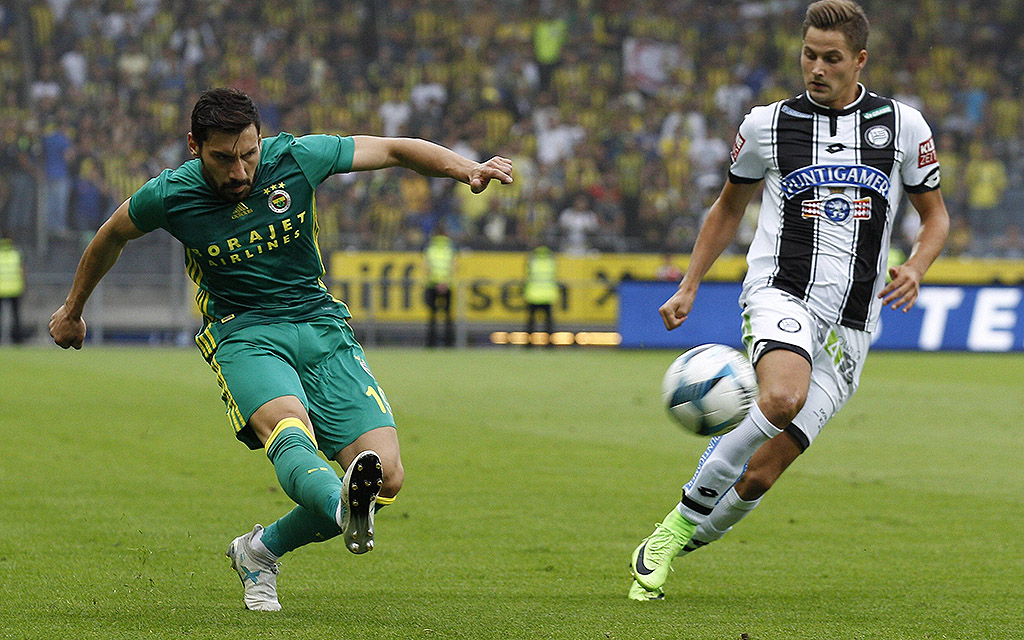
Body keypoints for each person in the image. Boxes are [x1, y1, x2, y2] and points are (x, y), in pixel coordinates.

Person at [49, 88, 513, 611]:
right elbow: (110, 235)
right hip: (243, 332)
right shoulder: (169, 195)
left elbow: (394, 149)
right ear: (194, 147)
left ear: (260, 140)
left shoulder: (296, 158)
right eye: (224, 158)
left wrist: (465, 168)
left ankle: (260, 550)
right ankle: (341, 507)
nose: (241, 171)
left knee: (387, 475)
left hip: (320, 325)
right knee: (289, 426)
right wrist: (72, 310)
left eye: (248, 153)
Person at [628, 1, 949, 601]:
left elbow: (935, 216)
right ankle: (673, 530)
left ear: (860, 60)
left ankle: (676, 540)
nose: (817, 68)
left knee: (761, 474)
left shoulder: (903, 126)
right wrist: (691, 282)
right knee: (780, 396)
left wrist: (918, 266)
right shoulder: (766, 125)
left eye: (831, 58)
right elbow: (729, 207)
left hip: (854, 326)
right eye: (809, 55)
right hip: (781, 292)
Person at [423, 228, 455, 347]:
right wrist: (444, 282)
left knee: (432, 316)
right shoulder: (450, 249)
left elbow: (427, 268)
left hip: (432, 284)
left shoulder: (430, 249)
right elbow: (453, 267)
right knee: (448, 316)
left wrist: (436, 282)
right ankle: (449, 343)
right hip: (447, 285)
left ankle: (431, 343)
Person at [522, 244, 557, 346]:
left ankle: (528, 343)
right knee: (548, 323)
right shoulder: (551, 262)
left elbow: (527, 274)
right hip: (547, 295)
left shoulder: (532, 262)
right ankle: (550, 343)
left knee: (531, 322)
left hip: (533, 295)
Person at [0, 237, 25, 344]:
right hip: (15, 289)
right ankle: (17, 339)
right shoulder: (16, 254)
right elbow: (22, 271)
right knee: (16, 316)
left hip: (1, 289)